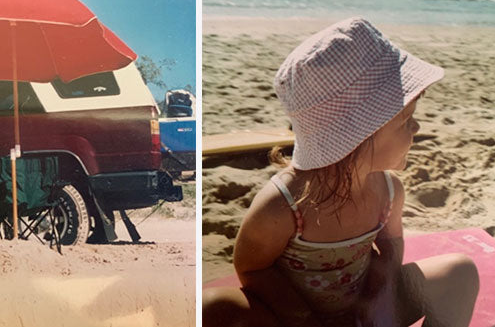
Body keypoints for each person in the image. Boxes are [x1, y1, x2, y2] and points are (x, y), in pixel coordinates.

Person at [203, 18, 479, 327]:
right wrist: (302, 316)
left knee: (460, 272)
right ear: (360, 135)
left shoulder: (389, 192)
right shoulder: (283, 206)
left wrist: (376, 292)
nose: (417, 127)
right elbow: (252, 269)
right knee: (213, 306)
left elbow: (390, 246)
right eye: (406, 119)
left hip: (365, 314)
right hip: (297, 319)